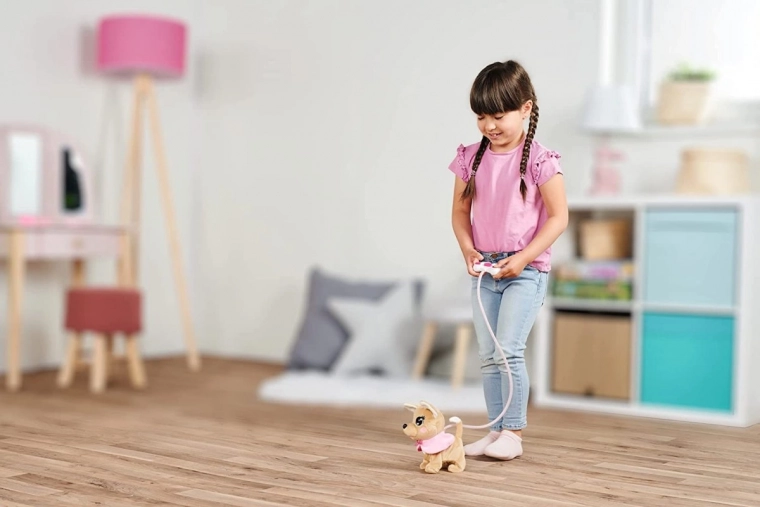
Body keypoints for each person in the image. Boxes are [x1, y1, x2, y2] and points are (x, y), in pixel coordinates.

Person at [449, 59, 568, 460]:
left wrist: (522, 258)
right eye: (481, 117)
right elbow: (459, 212)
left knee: (509, 351)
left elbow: (559, 217)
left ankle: (513, 434)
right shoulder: (470, 158)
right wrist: (468, 249)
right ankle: (496, 430)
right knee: (488, 355)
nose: (489, 126)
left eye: (498, 116)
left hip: (525, 271)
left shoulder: (540, 160)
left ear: (525, 108)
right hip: (485, 270)